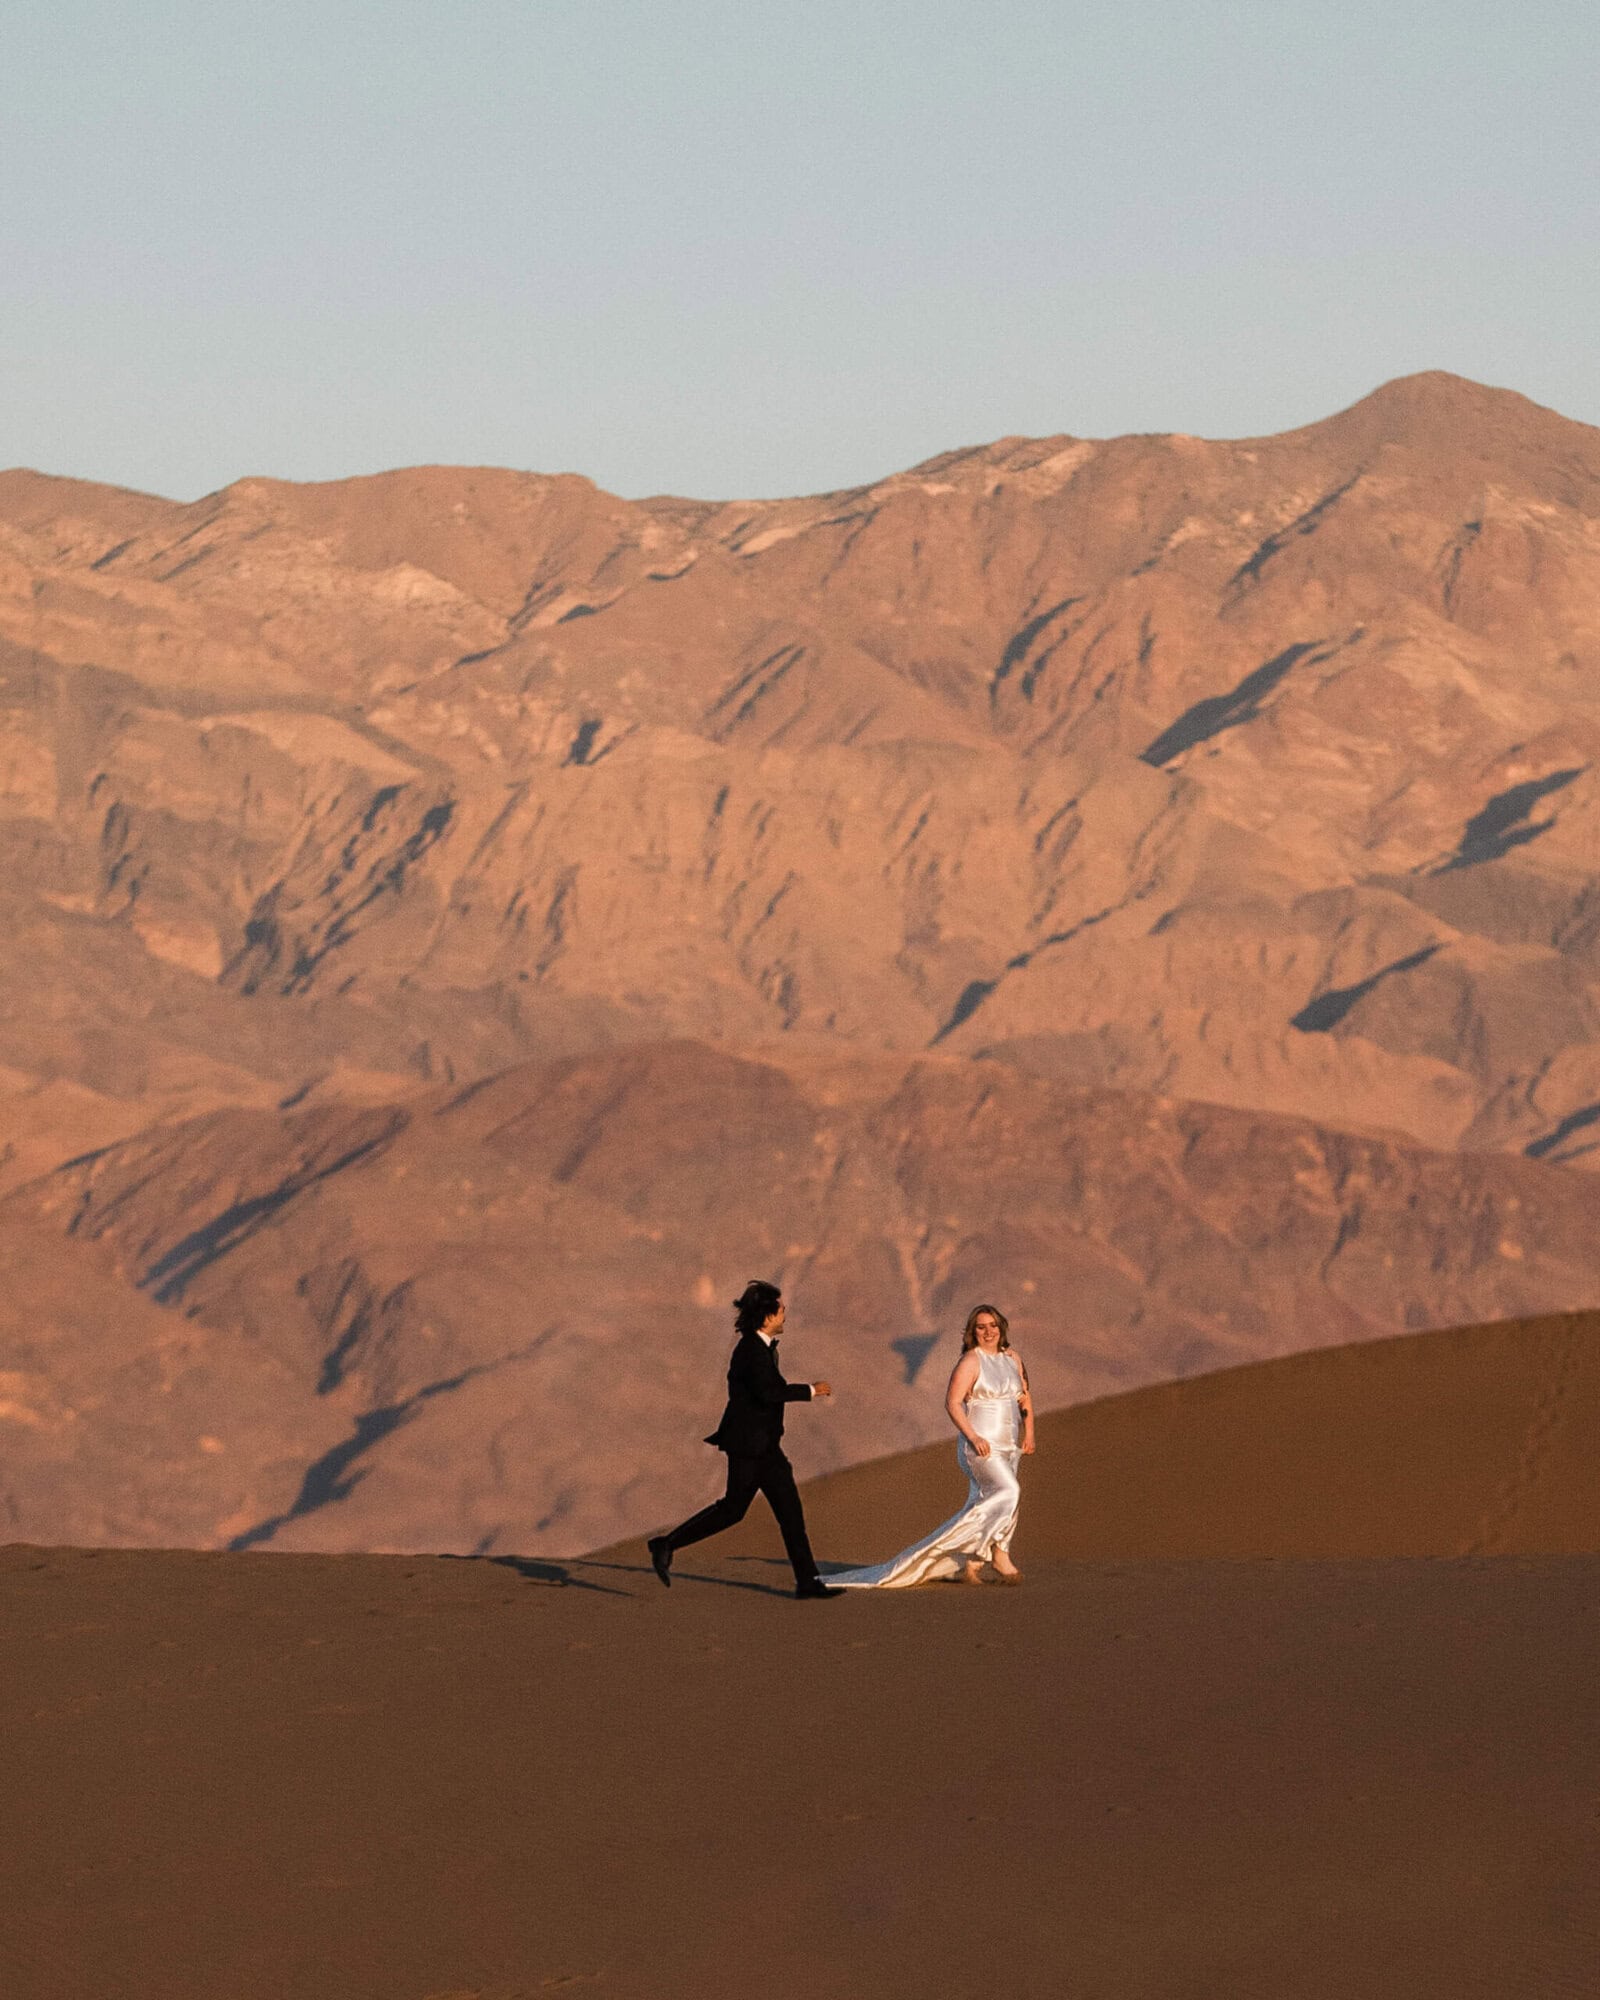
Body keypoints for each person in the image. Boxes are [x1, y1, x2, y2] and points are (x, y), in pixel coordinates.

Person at [649, 1280, 842, 1600]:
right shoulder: (751, 1351)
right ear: (766, 1317)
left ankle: (807, 1582)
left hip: (766, 1447)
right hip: (750, 1449)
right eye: (780, 1310)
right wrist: (811, 1390)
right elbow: (768, 1392)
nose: (784, 1314)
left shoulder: (758, 1349)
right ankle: (666, 1544)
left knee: (790, 1512)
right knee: (733, 1510)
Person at [826, 1303, 1034, 1588]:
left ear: (1002, 1327)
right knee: (1009, 1492)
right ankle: (999, 1557)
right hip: (980, 1446)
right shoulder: (971, 1362)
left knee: (993, 1501)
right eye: (981, 1327)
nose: (989, 1332)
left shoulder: (1012, 1358)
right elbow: (952, 1403)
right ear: (973, 1332)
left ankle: (973, 1564)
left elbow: (1024, 1397)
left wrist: (1029, 1433)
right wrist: (973, 1437)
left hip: (1009, 1444)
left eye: (993, 1325)